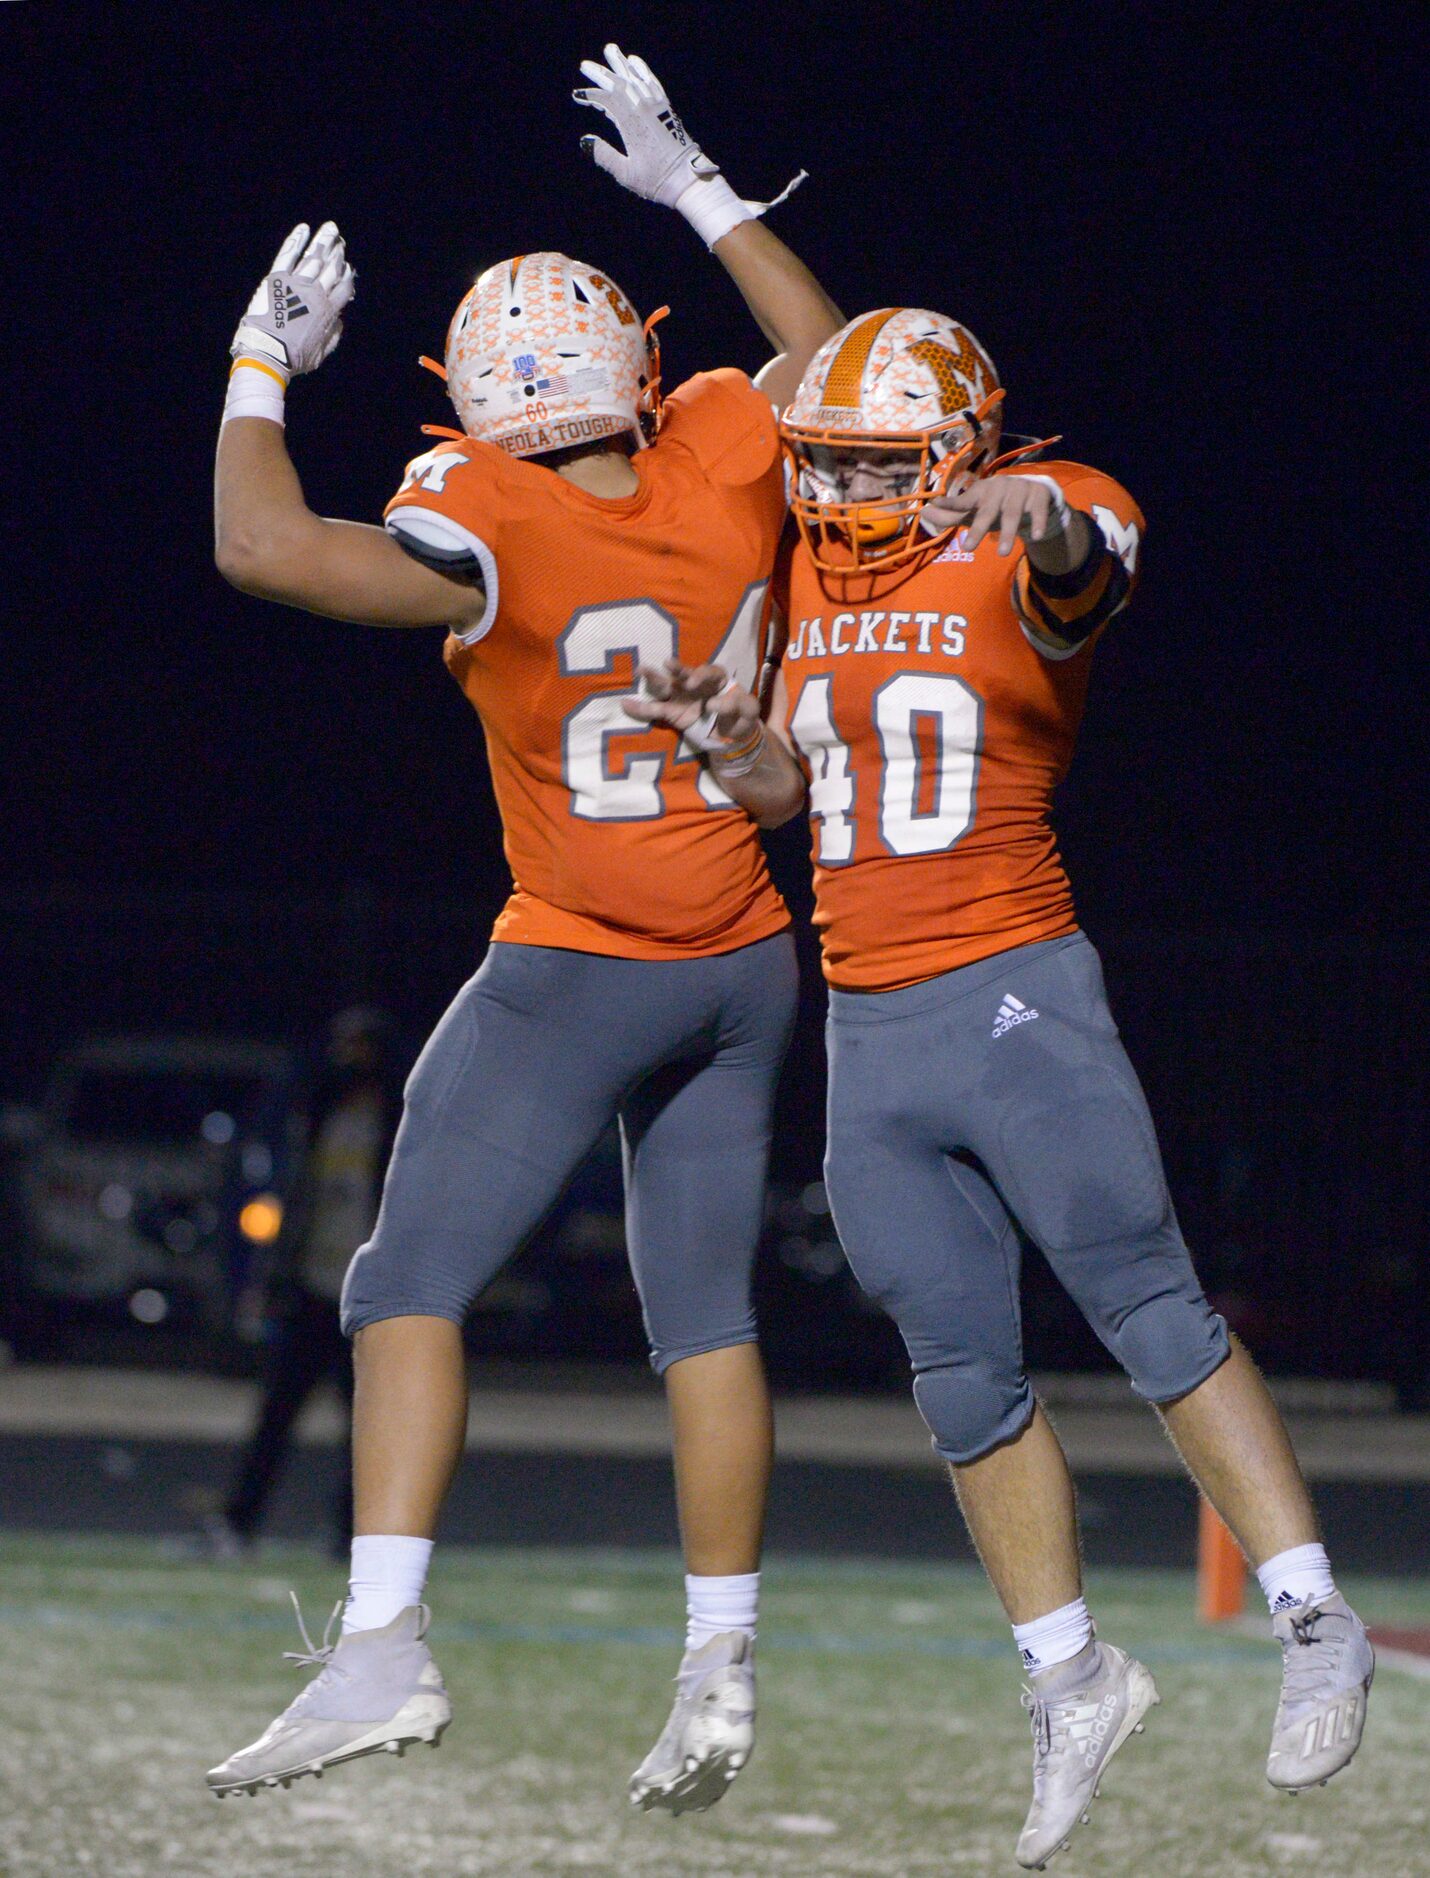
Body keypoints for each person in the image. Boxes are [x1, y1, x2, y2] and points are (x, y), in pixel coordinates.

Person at [628, 308, 1374, 1868]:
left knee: (1144, 1303)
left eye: (872, 459)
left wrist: (1042, 523)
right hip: (869, 1022)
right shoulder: (805, 571)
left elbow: (1079, 559)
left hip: (1012, 984)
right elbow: (790, 792)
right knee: (956, 1369)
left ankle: (1313, 1619)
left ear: (963, 449)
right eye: (823, 456)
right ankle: (1070, 1675)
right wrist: (726, 740)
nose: (834, 483)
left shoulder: (1028, 518)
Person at [204, 45, 843, 1804]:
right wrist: (703, 190)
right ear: (636, 359)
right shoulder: (721, 442)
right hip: (742, 954)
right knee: (704, 1318)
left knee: (403, 1280)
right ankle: (720, 1670)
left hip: (578, 956)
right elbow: (835, 360)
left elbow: (261, 550)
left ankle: (381, 1649)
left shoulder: (481, 506)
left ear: (469, 398)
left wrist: (263, 359)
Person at [208, 1009, 403, 1557]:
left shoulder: (399, 1118)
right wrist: (273, 1275)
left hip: (367, 1295)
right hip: (313, 1288)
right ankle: (237, 1525)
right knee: (275, 1417)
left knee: (365, 1425)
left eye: (358, 1044)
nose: (346, 1055)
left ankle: (351, 1536)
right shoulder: (320, 1114)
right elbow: (297, 1197)